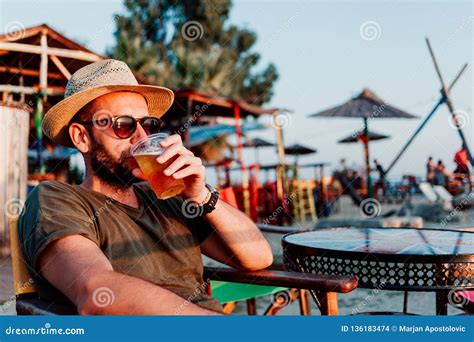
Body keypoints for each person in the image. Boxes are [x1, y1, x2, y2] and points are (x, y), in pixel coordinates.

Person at [18, 59, 273, 315]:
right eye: (123, 125)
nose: (142, 137)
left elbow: (259, 257)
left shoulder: (168, 197)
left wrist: (202, 195)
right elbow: (97, 294)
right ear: (81, 137)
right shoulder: (58, 199)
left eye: (148, 125)